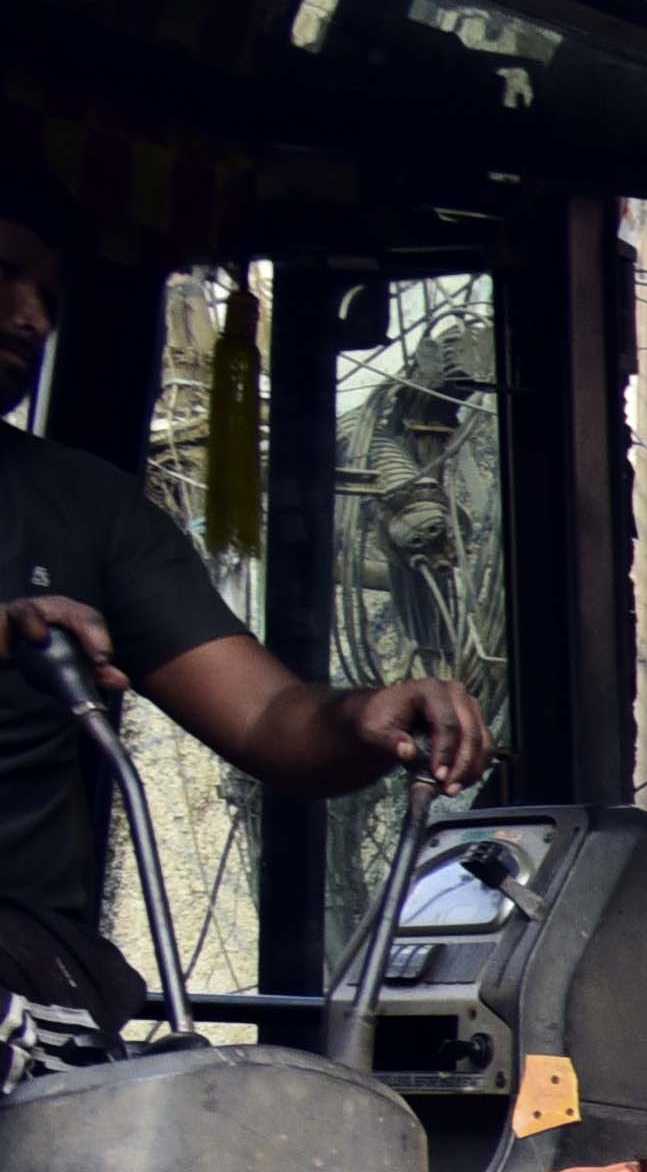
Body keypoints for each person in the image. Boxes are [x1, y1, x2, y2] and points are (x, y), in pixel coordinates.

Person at [0, 193, 493, 1046]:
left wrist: (363, 716)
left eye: (51, 292)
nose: (30, 314)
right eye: (3, 278)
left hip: (26, 983)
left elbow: (268, 717)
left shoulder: (80, 504)